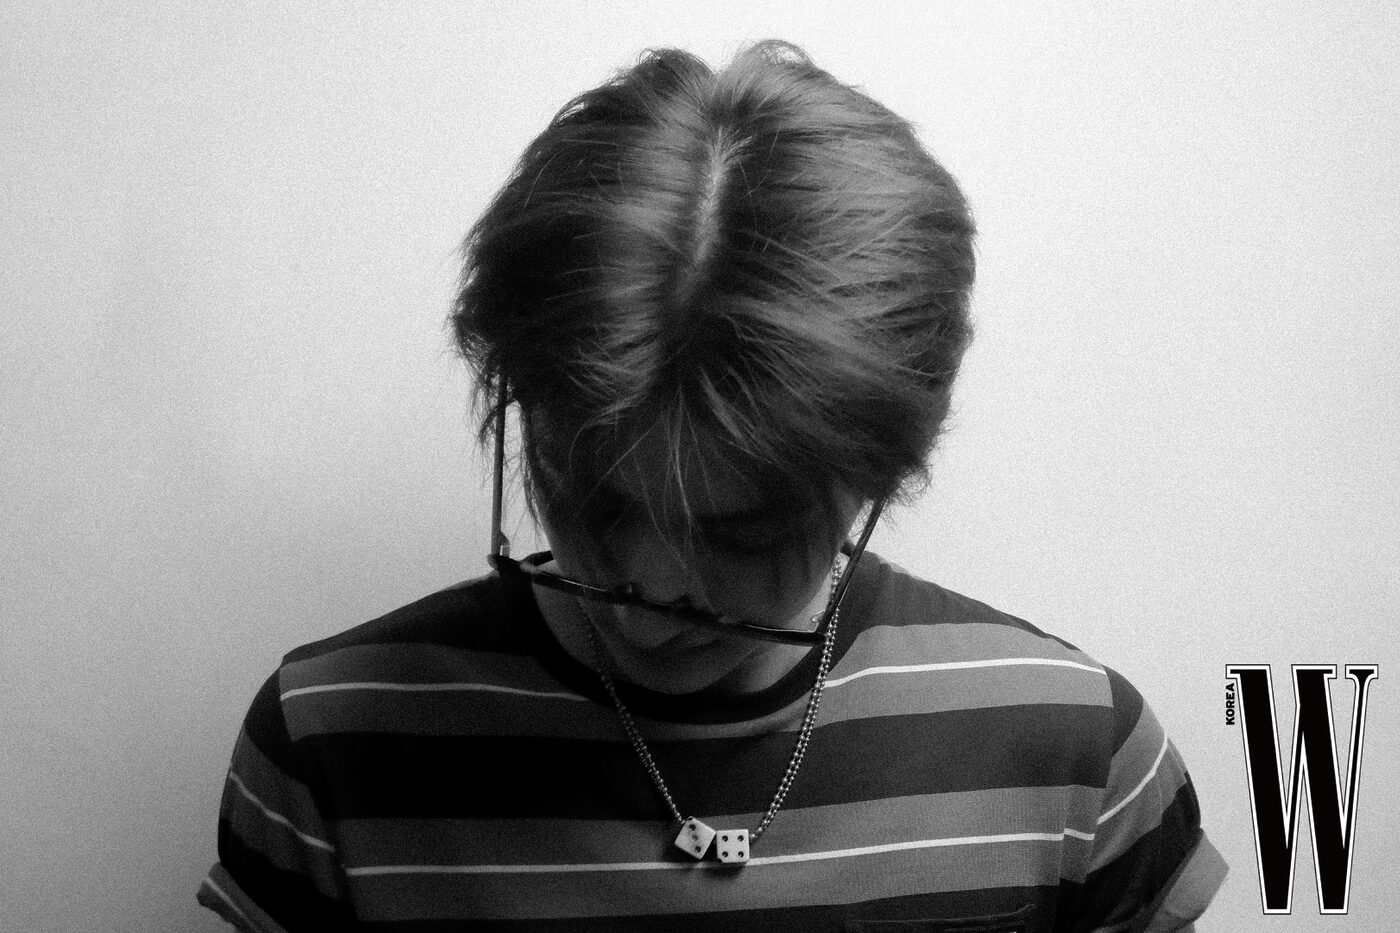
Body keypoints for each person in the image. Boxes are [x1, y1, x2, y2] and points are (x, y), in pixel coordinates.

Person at [198, 41, 1226, 931]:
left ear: (877, 473)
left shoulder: (1076, 755)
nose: (646, 596)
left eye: (741, 531)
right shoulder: (328, 746)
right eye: (595, 497)